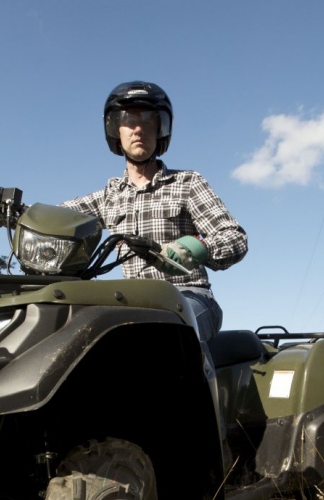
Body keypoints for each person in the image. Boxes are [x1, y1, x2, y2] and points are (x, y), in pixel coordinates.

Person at [61, 81, 247, 342]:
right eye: (129, 121)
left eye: (149, 121)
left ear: (161, 131)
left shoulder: (187, 183)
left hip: (189, 296)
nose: (139, 129)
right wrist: (7, 208)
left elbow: (234, 237)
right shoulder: (108, 197)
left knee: (165, 337)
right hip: (131, 303)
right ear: (115, 130)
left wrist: (197, 248)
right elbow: (55, 216)